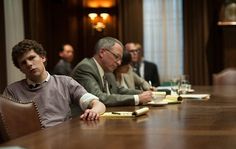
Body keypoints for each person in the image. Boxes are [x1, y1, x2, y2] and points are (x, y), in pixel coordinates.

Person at [3, 39, 106, 128]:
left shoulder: (65, 82)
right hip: (30, 140)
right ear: (20, 69)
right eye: (23, 62)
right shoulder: (12, 90)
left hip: (63, 137)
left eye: (31, 58)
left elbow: (98, 104)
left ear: (43, 58)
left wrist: (94, 111)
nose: (29, 64)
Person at [71, 37, 153, 107]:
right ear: (102, 53)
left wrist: (144, 93)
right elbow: (99, 98)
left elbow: (118, 90)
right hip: (79, 120)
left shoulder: (107, 71)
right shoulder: (85, 68)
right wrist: (137, 98)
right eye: (116, 57)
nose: (119, 63)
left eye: (120, 59)